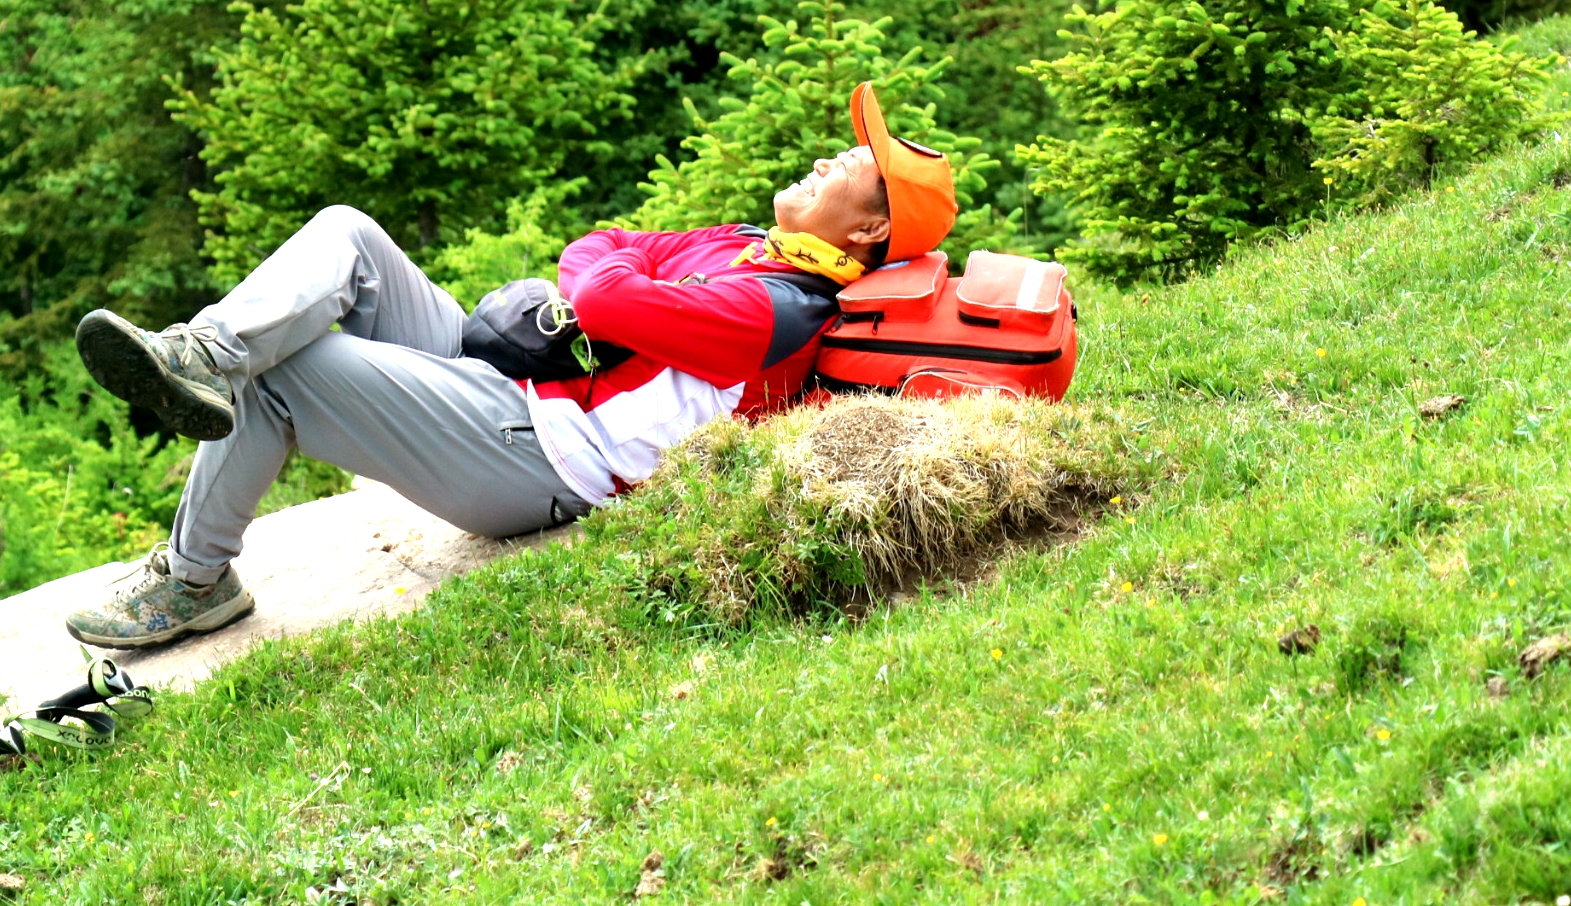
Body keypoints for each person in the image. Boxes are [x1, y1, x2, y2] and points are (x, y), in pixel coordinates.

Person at [62, 83, 958, 648]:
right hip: (515, 379)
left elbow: (604, 282)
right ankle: (200, 353)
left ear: (871, 230)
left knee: (292, 365)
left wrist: (607, 276)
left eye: (851, 163)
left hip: (535, 456)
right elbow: (611, 244)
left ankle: (193, 580)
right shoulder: (747, 246)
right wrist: (609, 271)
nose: (824, 156)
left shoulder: (773, 310)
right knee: (347, 233)